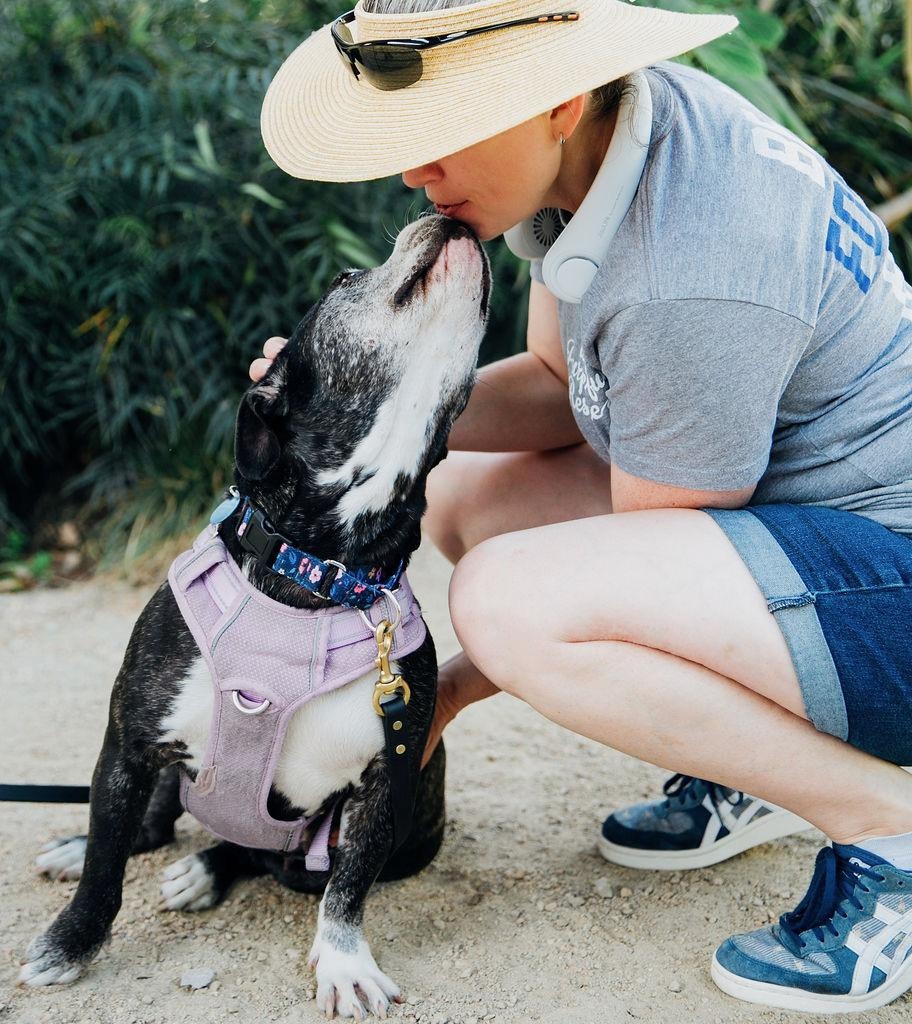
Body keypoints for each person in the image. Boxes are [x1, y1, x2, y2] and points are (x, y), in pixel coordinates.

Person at [256, 0, 912, 1012]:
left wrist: (444, 690)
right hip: (824, 538)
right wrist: (357, 406)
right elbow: (568, 390)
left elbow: (648, 549)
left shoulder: (690, 264)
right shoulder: (607, 153)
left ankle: (886, 825)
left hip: (888, 586)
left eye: (434, 140)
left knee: (508, 602)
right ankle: (750, 764)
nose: (409, 174)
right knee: (468, 496)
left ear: (556, 97)